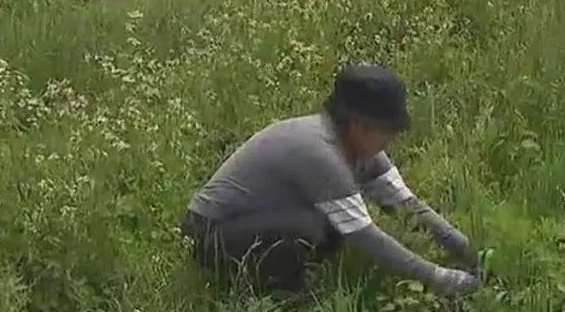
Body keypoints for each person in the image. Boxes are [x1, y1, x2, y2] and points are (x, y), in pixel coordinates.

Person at [179, 63, 481, 299]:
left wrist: (467, 250)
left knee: (328, 226)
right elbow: (365, 235)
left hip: (260, 219)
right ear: (359, 125)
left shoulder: (363, 151)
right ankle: (269, 289)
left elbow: (409, 206)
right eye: (388, 131)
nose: (392, 139)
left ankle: (285, 273)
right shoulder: (319, 151)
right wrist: (441, 279)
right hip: (210, 234)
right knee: (312, 227)